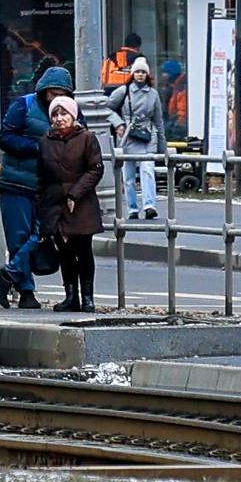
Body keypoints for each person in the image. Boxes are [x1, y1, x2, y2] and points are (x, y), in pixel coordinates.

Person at [0, 65, 68, 309]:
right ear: (43, 90)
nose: (55, 98)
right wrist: (38, 148)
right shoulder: (23, 106)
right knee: (18, 237)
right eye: (52, 92)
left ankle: (7, 275)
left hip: (48, 186)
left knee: (42, 232)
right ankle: (26, 291)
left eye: (60, 93)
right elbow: (6, 138)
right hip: (16, 183)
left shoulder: (69, 112)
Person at [36, 89, 105, 312]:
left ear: (73, 115)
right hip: (55, 204)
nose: (59, 119)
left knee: (83, 250)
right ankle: (70, 296)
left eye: (64, 114)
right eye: (55, 115)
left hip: (81, 204)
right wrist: (42, 205)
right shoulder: (45, 142)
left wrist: (75, 193)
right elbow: (42, 175)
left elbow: (95, 170)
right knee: (64, 252)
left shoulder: (87, 139)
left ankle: (88, 297)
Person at [108, 56, 163, 223]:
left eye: (143, 72)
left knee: (148, 171)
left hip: (147, 135)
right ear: (133, 74)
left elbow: (159, 120)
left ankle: (149, 206)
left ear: (147, 75)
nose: (140, 75)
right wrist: (118, 124)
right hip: (128, 136)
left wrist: (163, 146)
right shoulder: (124, 91)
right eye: (137, 71)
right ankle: (132, 208)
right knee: (129, 176)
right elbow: (106, 107)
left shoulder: (153, 94)